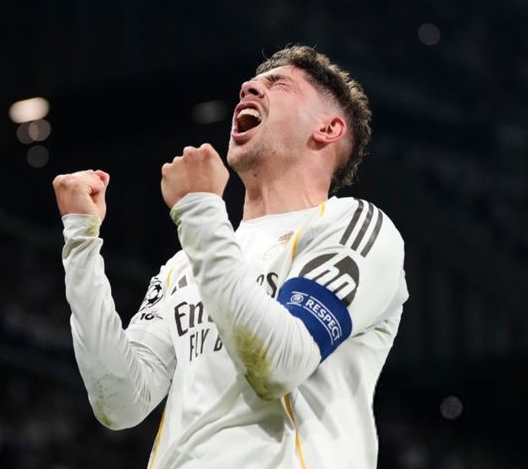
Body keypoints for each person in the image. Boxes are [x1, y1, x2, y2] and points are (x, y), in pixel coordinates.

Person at [53, 45, 409, 469]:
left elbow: (280, 363)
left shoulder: (351, 225)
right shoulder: (186, 264)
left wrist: (199, 209)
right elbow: (121, 401)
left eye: (279, 84)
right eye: (252, 83)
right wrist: (81, 241)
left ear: (328, 129)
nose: (248, 88)